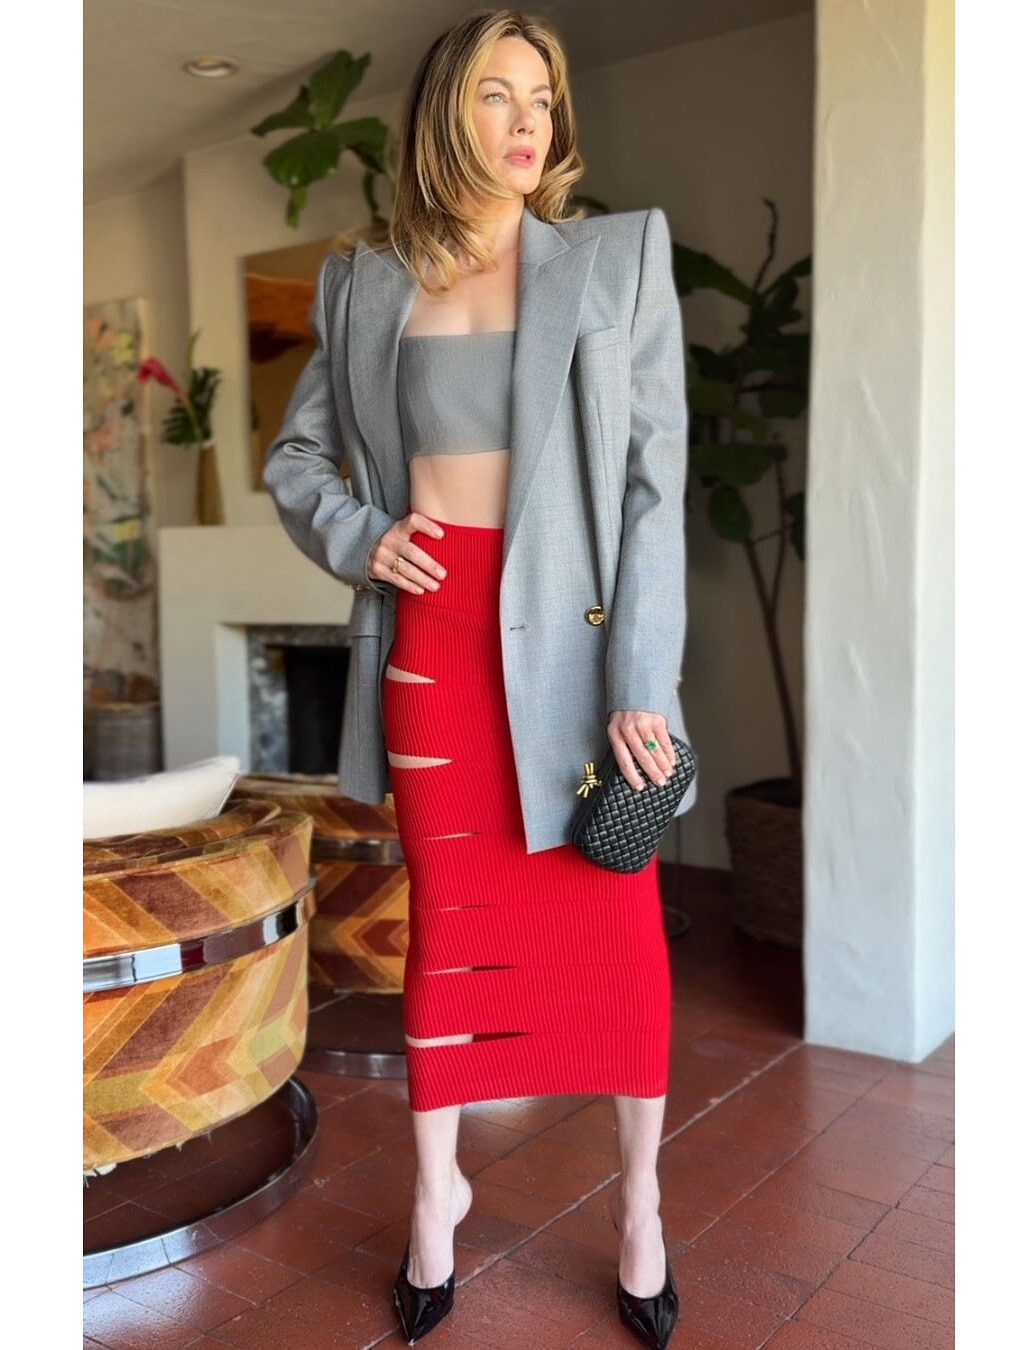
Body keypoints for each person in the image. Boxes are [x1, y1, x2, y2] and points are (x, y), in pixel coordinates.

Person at [263, 10, 695, 1347]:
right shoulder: (361, 282)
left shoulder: (616, 261)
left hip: (579, 655)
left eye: (543, 98)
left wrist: (641, 678)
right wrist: (363, 537)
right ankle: (434, 1199)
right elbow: (299, 461)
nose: (528, 122)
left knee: (617, 935)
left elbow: (654, 487)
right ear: (447, 112)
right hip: (435, 648)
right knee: (448, 933)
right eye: (499, 94)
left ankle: (641, 1206)